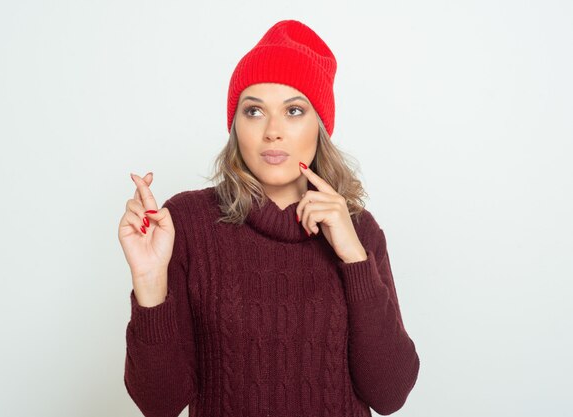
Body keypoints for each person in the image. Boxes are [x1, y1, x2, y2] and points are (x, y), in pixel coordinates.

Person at [118, 19, 420, 417]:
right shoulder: (186, 223)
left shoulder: (359, 230)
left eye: (294, 110)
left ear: (320, 125)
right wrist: (149, 282)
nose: (273, 131)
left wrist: (355, 260)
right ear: (235, 126)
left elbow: (389, 394)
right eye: (254, 111)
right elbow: (161, 404)